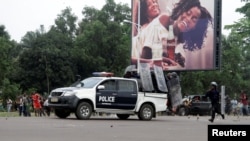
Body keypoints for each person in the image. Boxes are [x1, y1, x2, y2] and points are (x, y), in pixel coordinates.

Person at [132, 0, 213, 70]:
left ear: (195, 28)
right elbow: (146, 57)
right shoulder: (164, 20)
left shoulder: (179, 36)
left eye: (194, 19)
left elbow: (158, 53)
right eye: (188, 13)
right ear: (181, 10)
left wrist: (175, 56)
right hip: (130, 54)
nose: (188, 19)